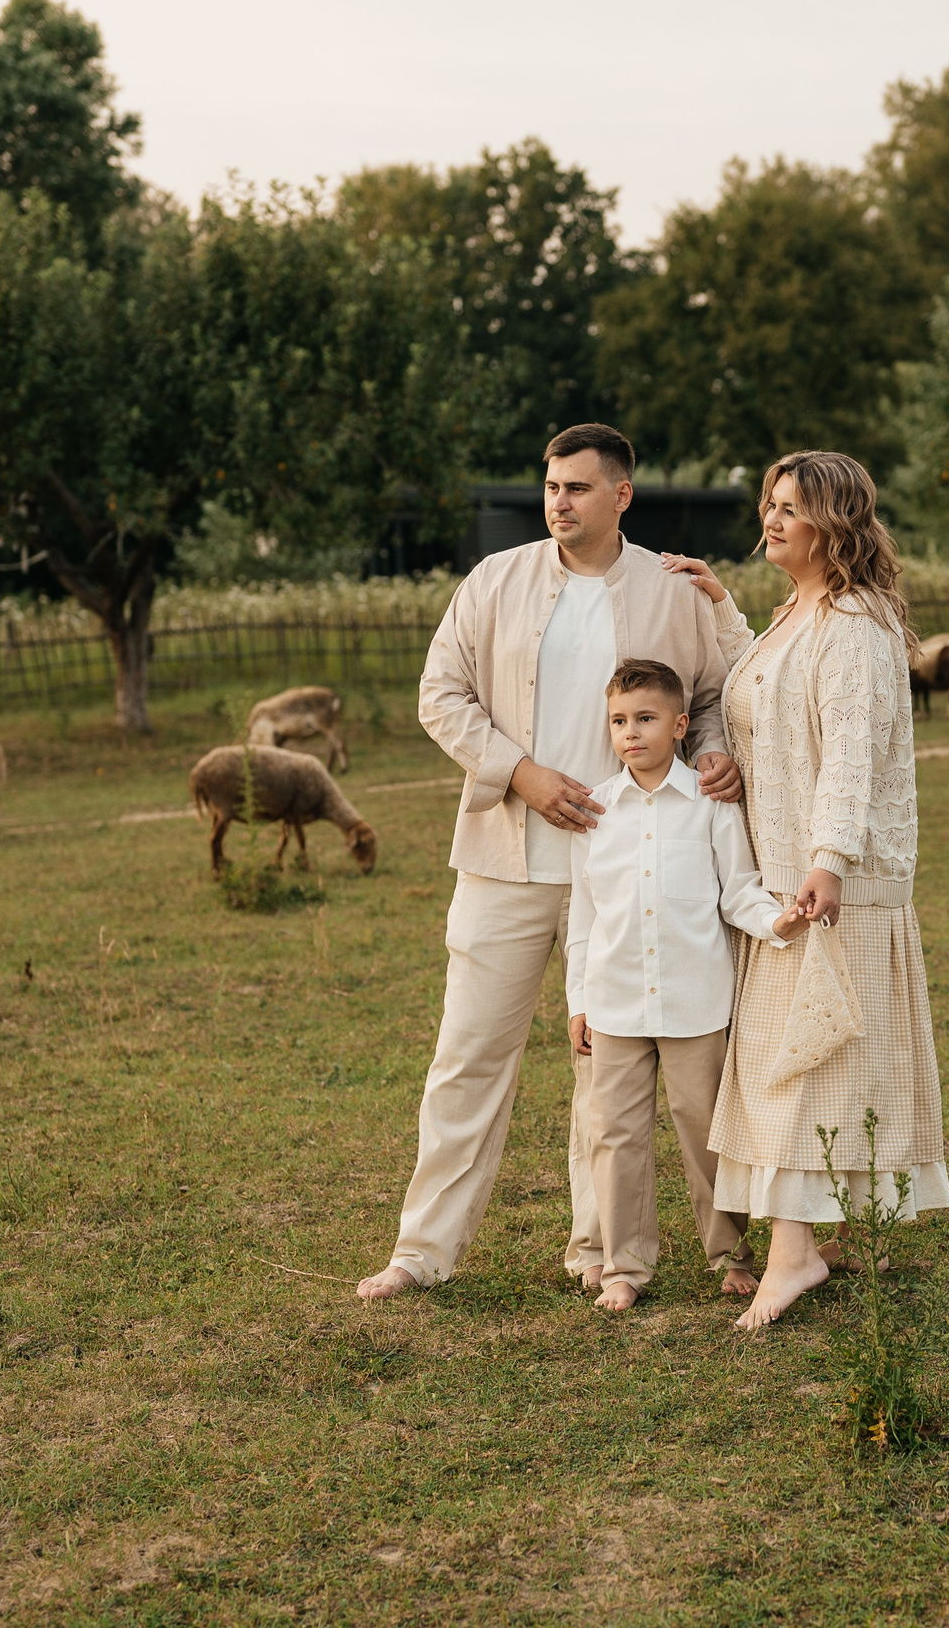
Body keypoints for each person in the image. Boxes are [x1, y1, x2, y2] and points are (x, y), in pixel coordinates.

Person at [358, 424, 756, 1301]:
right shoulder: (493, 581)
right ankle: (422, 1250)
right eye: (550, 485)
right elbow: (441, 695)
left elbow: (720, 696)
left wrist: (716, 755)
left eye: (578, 486)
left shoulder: (673, 587)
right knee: (468, 1055)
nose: (558, 500)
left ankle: (596, 1248)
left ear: (621, 494)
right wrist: (523, 773)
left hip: (632, 875)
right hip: (505, 858)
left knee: (601, 1070)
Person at [662, 450, 949, 1331]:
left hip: (833, 882)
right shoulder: (800, 614)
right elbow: (764, 690)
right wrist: (722, 607)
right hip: (785, 876)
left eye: (792, 507)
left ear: (836, 524)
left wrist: (826, 861)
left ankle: (792, 1252)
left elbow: (852, 756)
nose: (773, 519)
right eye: (770, 503)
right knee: (804, 1064)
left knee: (806, 1065)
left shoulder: (856, 624)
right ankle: (810, 1239)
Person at [567, 658, 804, 1312]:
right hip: (614, 1003)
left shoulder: (710, 804)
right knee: (613, 1133)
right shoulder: (595, 811)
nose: (630, 732)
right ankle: (625, 1265)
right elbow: (582, 916)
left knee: (704, 1128)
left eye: (644, 718)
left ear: (678, 725)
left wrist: (779, 922)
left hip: (696, 1002)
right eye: (619, 720)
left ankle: (730, 1254)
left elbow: (740, 893)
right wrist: (578, 1001)